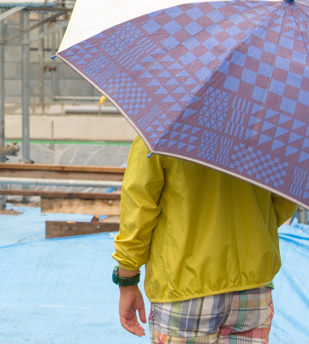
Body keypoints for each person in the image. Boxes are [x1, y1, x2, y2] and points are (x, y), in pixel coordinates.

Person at [114, 136, 298, 343]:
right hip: (253, 289)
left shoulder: (163, 128)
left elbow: (139, 210)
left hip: (182, 286)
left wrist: (127, 279)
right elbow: (287, 197)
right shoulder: (272, 129)